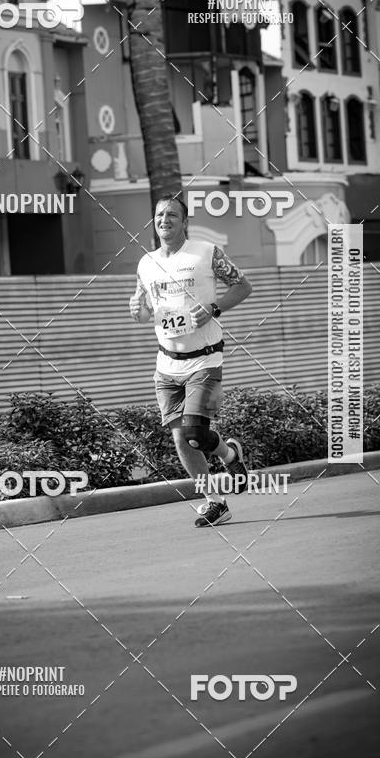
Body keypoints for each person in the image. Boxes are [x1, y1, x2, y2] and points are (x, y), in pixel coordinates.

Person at [129, 195, 253, 527]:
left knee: (195, 433)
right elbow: (147, 309)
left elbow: (243, 286)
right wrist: (138, 312)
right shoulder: (146, 263)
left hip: (205, 361)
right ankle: (215, 501)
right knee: (181, 438)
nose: (164, 219)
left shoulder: (206, 252)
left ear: (185, 222)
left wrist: (214, 309)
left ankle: (228, 455)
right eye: (158, 214)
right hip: (166, 366)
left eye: (172, 214)